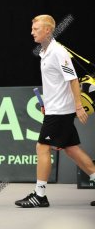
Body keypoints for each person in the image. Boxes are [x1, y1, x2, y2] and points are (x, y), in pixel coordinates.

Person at [15, 14, 95, 208]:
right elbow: (55, 83)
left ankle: (40, 195)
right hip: (55, 108)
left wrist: (77, 105)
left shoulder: (58, 52)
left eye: (36, 29)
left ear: (48, 30)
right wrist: (47, 104)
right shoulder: (45, 52)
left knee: (42, 147)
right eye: (32, 28)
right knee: (72, 149)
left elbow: (73, 79)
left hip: (61, 111)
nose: (32, 32)